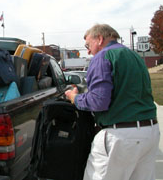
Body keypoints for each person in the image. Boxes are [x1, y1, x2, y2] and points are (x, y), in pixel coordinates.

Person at [65, 24, 159, 180]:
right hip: (150, 133)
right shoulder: (135, 56)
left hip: (120, 136)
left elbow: (98, 101)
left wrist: (75, 98)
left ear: (100, 39)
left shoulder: (102, 57)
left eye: (88, 45)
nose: (88, 51)